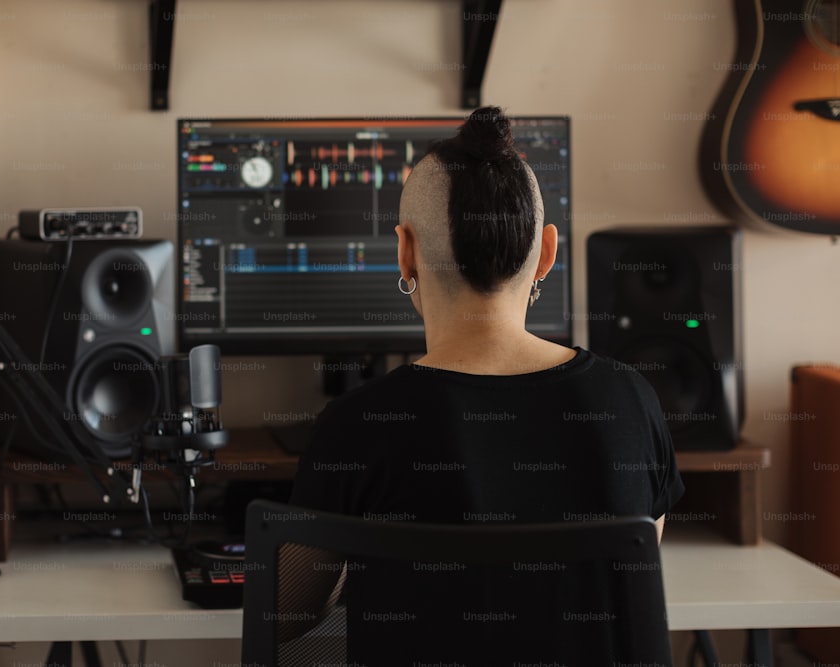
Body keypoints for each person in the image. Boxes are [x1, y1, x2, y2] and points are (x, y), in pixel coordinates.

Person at [285, 106, 685, 665]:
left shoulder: (358, 424)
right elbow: (632, 585)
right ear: (546, 253)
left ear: (405, 252)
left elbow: (287, 616)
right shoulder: (631, 401)